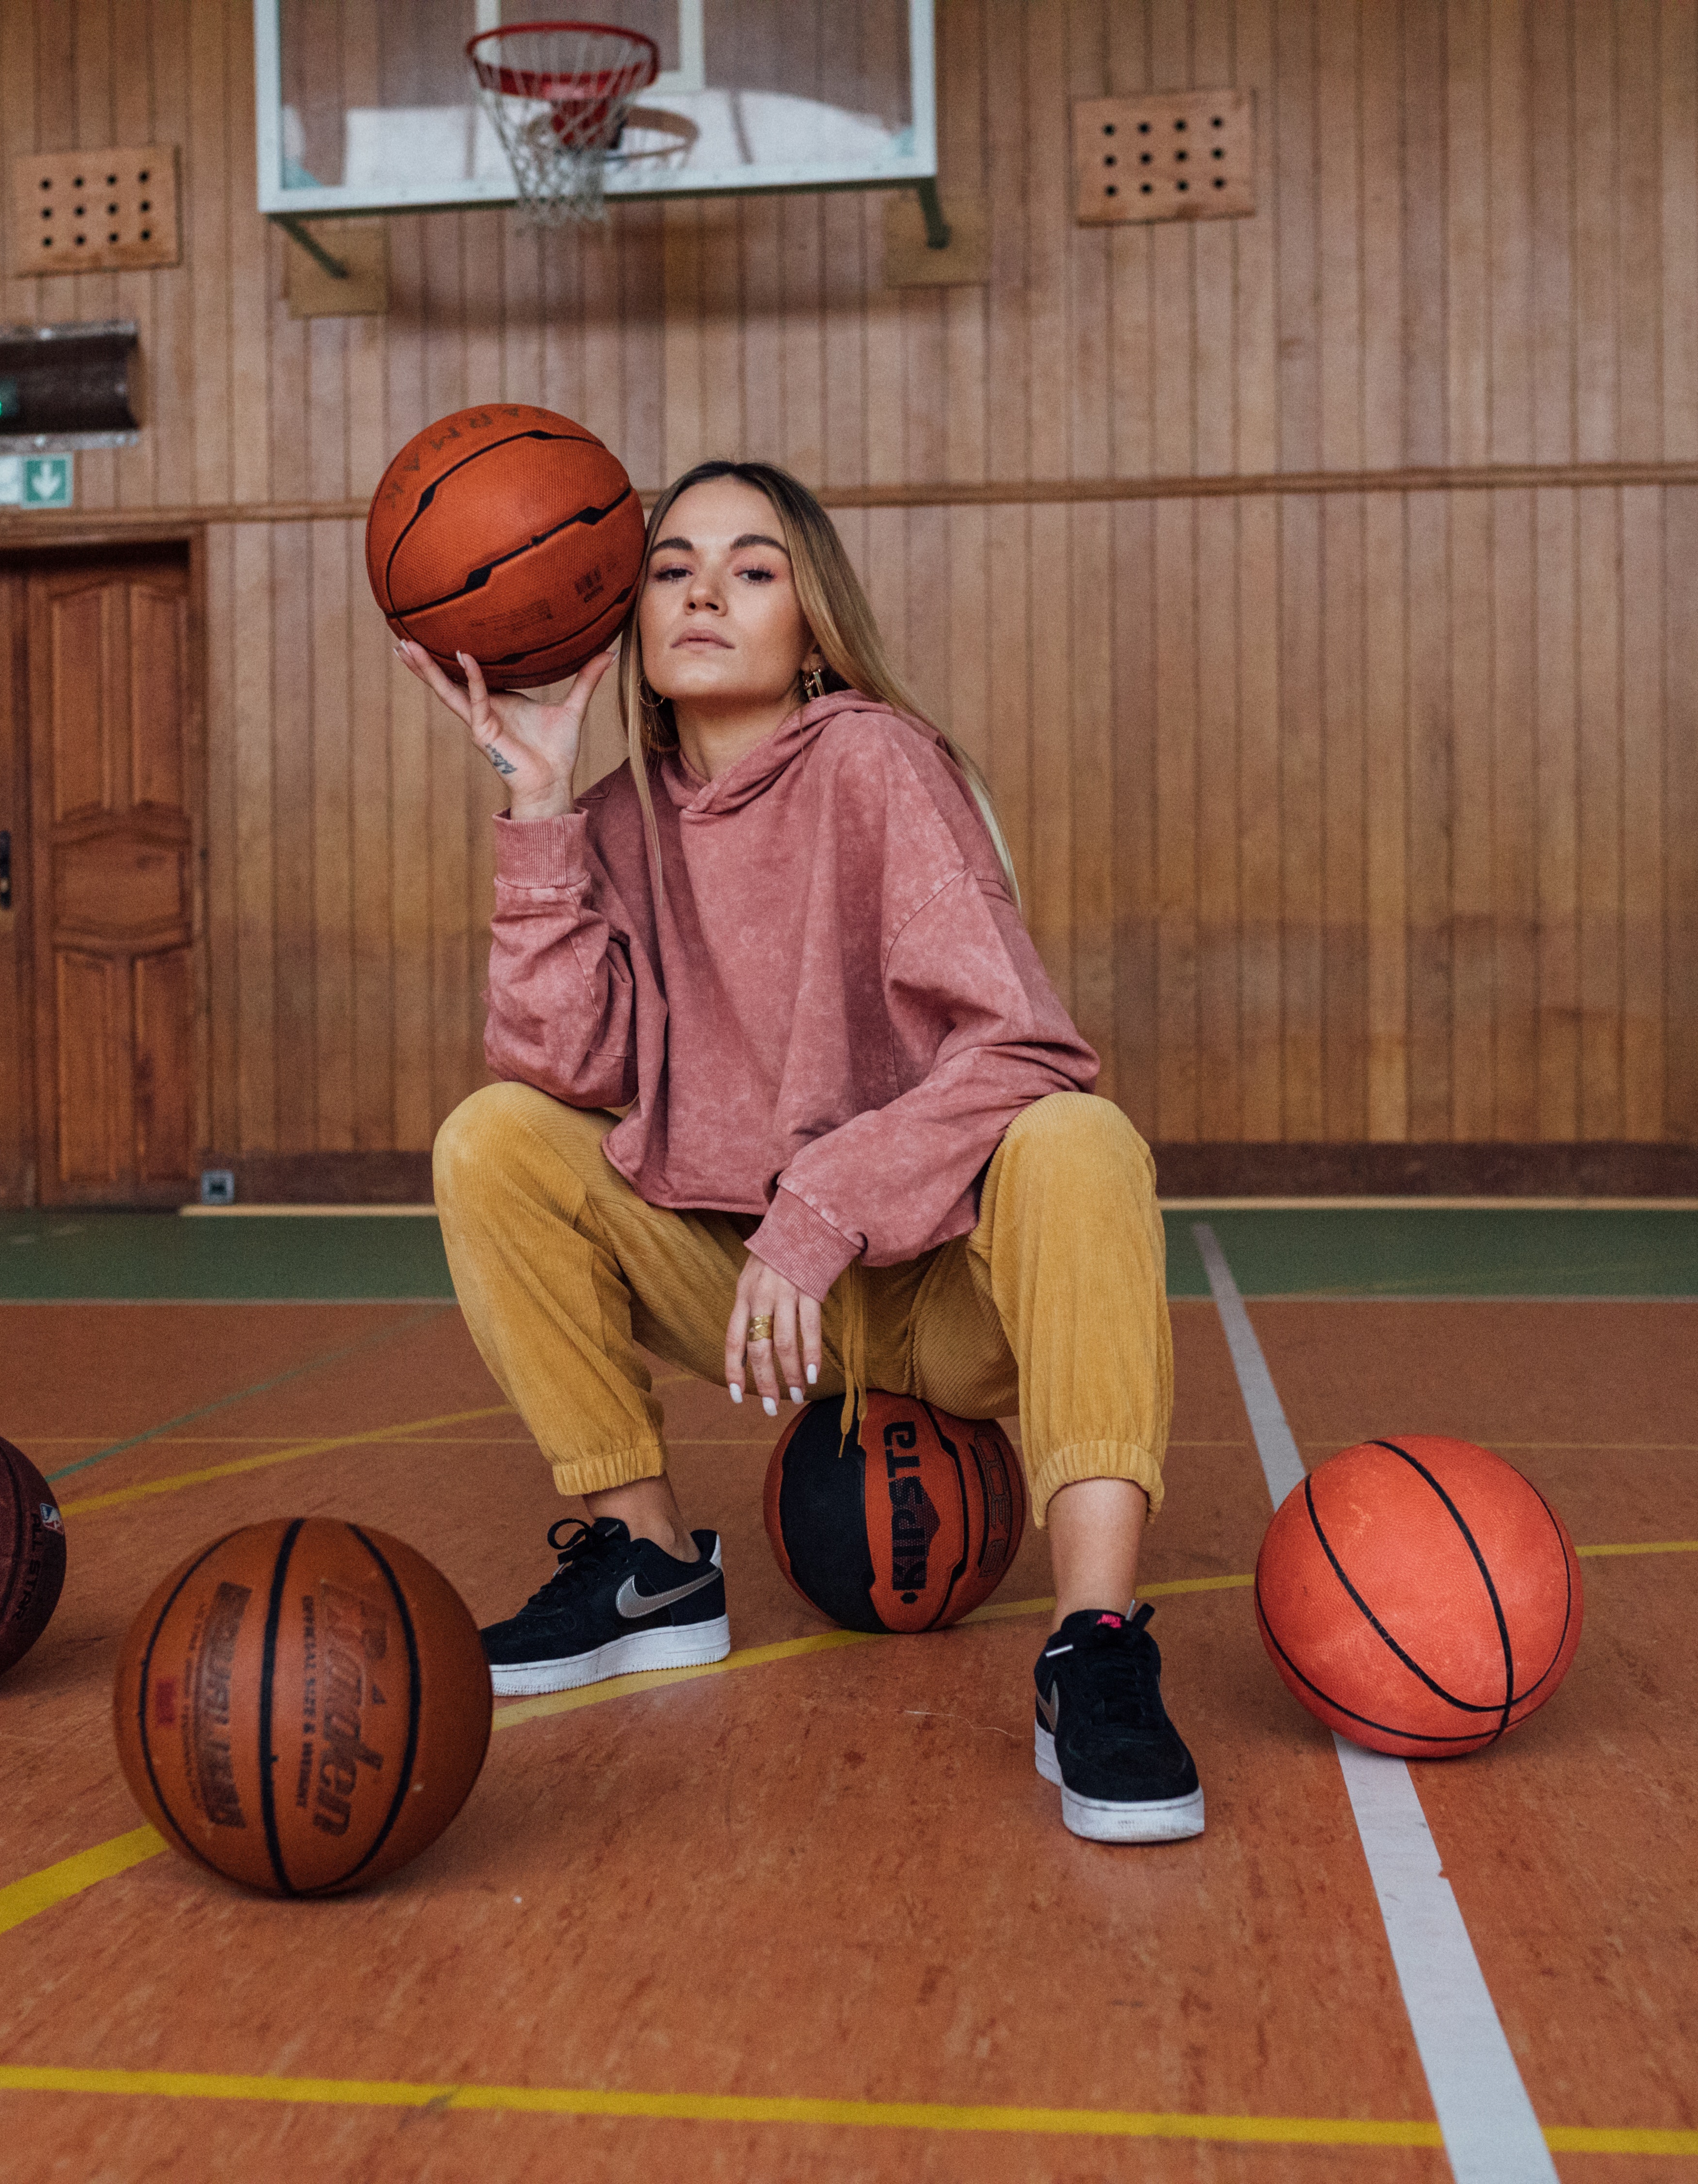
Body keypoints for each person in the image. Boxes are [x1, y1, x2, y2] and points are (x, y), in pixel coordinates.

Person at [396, 460, 1198, 1844]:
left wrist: (823, 1206)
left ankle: (1097, 1647)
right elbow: (564, 1071)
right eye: (673, 567)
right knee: (492, 1140)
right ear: (626, 618)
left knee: (1080, 1139)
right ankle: (648, 1564)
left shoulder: (879, 761)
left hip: (942, 1289)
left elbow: (1025, 1048)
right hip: (760, 1301)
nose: (705, 588)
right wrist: (534, 810)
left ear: (811, 626)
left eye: (754, 568)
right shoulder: (613, 821)